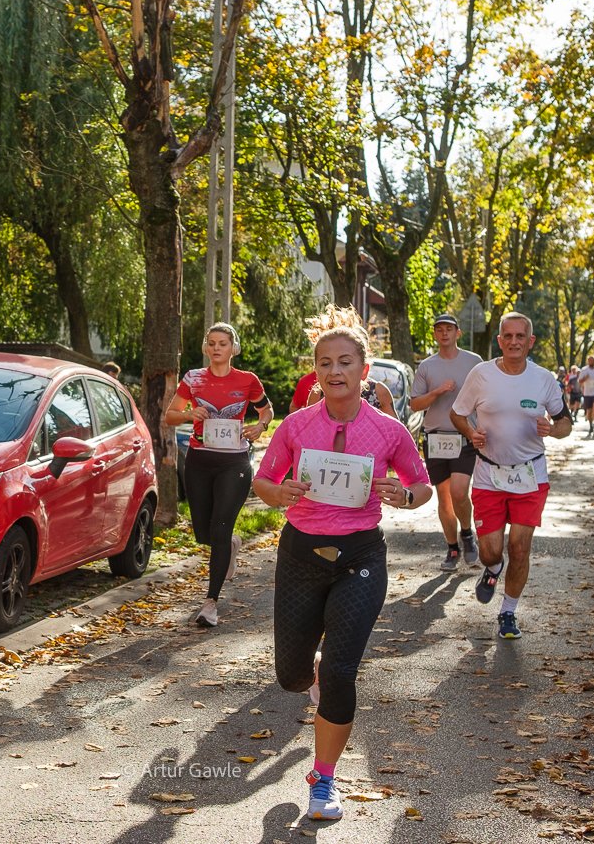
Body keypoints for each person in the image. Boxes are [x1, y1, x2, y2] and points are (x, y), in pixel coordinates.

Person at [253, 319, 433, 821]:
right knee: (292, 675)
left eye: (345, 362)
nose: (335, 371)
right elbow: (263, 481)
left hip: (360, 557)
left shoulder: (389, 430)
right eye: (325, 363)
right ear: (315, 372)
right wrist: (279, 494)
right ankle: (311, 673)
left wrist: (405, 495)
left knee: (339, 671)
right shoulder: (295, 426)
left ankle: (324, 778)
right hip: (301, 553)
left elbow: (422, 486)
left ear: (364, 370)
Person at [449, 312, 571, 640]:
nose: (514, 342)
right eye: (508, 336)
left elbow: (565, 424)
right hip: (488, 474)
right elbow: (457, 413)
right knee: (491, 551)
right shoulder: (481, 375)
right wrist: (471, 432)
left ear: (530, 341)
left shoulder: (544, 379)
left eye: (520, 336)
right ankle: (492, 568)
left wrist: (552, 429)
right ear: (499, 340)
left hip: (530, 475)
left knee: (519, 547)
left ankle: (508, 612)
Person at [164, 323, 273, 627]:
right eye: (211, 343)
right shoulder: (193, 379)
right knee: (204, 533)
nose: (216, 348)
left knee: (220, 528)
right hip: (199, 459)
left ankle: (210, 603)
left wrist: (260, 426)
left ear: (233, 348)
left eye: (222, 343)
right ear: (205, 347)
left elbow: (266, 410)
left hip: (234, 462)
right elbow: (170, 415)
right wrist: (189, 414)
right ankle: (230, 544)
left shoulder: (247, 380)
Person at [410, 313, 483, 572]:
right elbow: (415, 404)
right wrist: (437, 391)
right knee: (444, 497)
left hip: (464, 435)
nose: (444, 333)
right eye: (439, 329)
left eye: (449, 329)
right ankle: (452, 548)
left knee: (459, 492)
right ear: (434, 334)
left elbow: (486, 396)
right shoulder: (426, 366)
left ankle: (467, 533)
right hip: (436, 437)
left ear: (457, 333)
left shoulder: (474, 362)